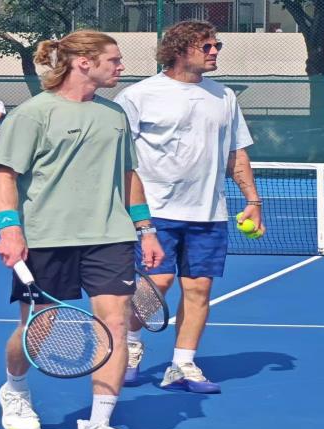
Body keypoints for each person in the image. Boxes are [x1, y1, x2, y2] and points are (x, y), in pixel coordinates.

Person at [0, 30, 164, 429]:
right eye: (114, 60)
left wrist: (146, 229)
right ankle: (15, 389)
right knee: (38, 328)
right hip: (46, 238)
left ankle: (99, 423)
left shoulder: (114, 115)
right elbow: (4, 176)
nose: (121, 67)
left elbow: (128, 176)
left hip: (110, 237)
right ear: (84, 62)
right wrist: (10, 230)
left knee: (115, 326)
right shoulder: (33, 114)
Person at [114, 21, 266, 393]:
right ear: (180, 49)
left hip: (209, 214)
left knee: (199, 290)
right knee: (157, 284)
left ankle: (182, 364)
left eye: (217, 45)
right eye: (207, 46)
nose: (215, 51)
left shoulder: (224, 96)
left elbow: (236, 153)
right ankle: (130, 346)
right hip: (155, 211)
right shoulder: (138, 96)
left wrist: (253, 200)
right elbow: (120, 158)